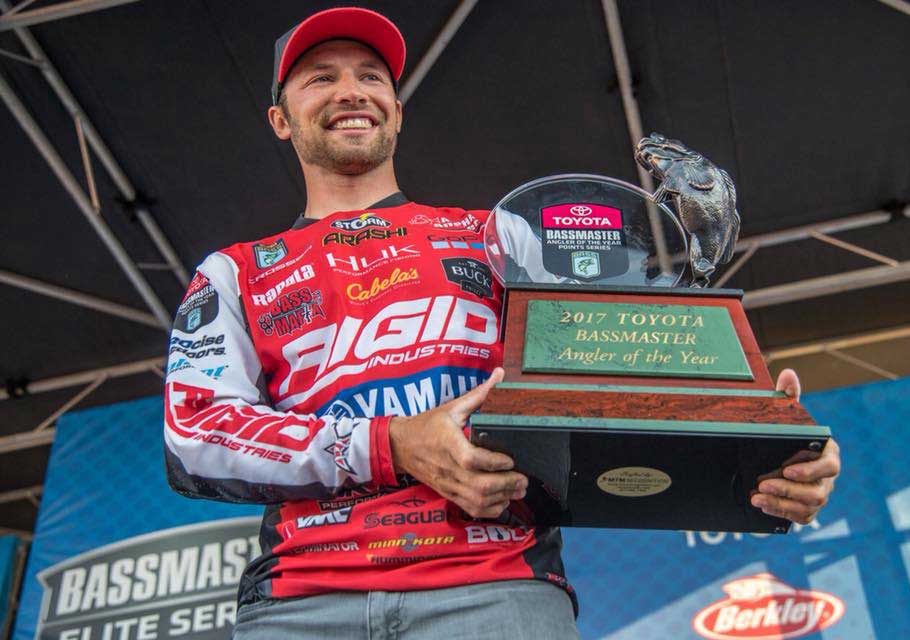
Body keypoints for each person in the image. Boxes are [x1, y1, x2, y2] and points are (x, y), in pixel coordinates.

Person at [162, 7, 841, 639]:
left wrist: (757, 447)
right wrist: (390, 443)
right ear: (280, 118)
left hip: (497, 590)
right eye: (321, 78)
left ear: (397, 111)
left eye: (371, 77)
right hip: (300, 602)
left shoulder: (497, 235)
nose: (351, 91)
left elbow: (612, 375)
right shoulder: (236, 270)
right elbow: (195, 432)